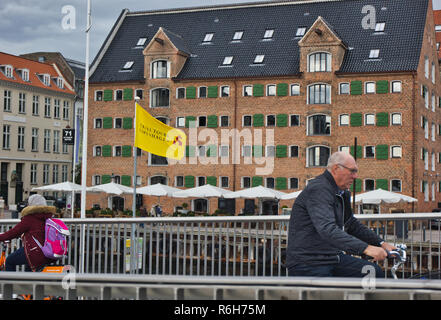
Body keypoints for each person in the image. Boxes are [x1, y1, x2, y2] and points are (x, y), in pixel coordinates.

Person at [286, 151, 396, 278]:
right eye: (352, 171)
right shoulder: (319, 189)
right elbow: (327, 229)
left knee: (372, 272)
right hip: (308, 262)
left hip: (331, 258)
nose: (355, 176)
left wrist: (381, 243)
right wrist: (365, 248)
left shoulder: (341, 192)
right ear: (336, 169)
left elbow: (351, 224)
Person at [0, 194, 54, 272]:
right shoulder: (48, 217)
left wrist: (1, 237)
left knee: (9, 261)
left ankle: (10, 284)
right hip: (47, 251)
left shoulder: (30, 218)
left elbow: (13, 232)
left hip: (36, 252)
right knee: (28, 267)